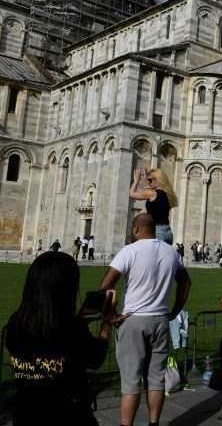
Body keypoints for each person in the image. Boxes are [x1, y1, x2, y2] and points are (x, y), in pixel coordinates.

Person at [99, 213, 192, 426]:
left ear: (136, 229)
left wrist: (109, 315)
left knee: (131, 382)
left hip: (133, 320)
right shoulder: (171, 252)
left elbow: (106, 285)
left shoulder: (129, 251)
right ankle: (153, 423)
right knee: (156, 380)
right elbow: (186, 283)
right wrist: (176, 310)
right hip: (160, 319)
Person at [6, 252, 116, 425]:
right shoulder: (70, 328)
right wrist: (106, 326)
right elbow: (95, 358)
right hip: (68, 414)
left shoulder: (16, 322)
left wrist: (80, 320)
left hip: (27, 411)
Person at [129, 168, 178, 245]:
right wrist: (147, 180)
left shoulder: (152, 194)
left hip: (157, 232)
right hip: (167, 232)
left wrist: (136, 181)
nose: (149, 183)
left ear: (158, 180)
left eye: (150, 180)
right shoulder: (167, 194)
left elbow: (132, 194)